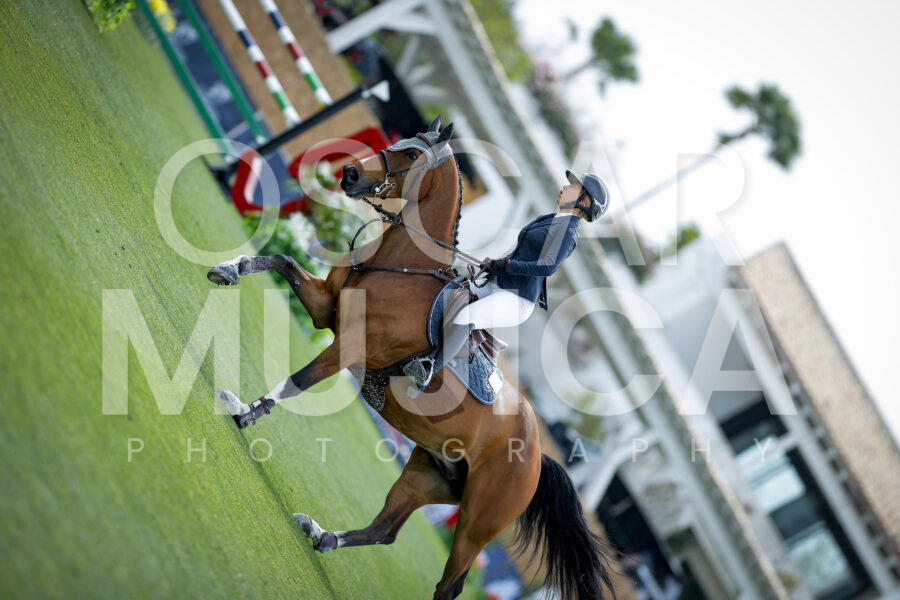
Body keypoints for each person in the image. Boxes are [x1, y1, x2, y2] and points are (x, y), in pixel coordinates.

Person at [404, 170, 610, 394]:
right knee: (448, 291)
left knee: (467, 317)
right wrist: (496, 265)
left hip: (517, 299)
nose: (565, 186)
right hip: (499, 283)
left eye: (574, 186)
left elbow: (547, 267)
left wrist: (508, 265)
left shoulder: (569, 234)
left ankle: (428, 372)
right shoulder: (551, 219)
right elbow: (522, 252)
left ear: (583, 201)